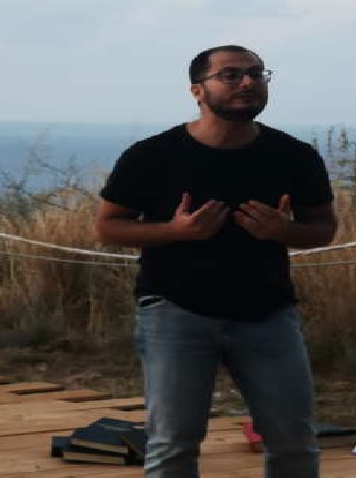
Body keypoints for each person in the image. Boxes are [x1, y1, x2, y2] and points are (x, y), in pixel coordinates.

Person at [94, 45, 337, 478]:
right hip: (175, 312)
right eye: (230, 75)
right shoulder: (152, 156)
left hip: (268, 314)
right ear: (197, 91)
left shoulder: (294, 156)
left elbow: (323, 229)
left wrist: (284, 231)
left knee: (293, 442)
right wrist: (175, 231)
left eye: (257, 74)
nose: (247, 83)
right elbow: (108, 228)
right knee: (173, 444)